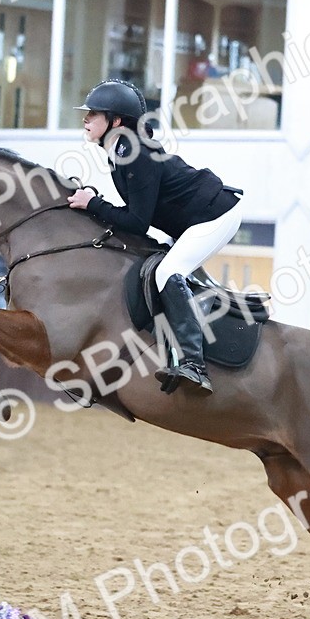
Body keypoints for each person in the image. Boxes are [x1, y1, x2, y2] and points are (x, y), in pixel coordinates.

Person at [67, 79, 243, 396]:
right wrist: (95, 201)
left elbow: (136, 222)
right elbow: (137, 212)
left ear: (116, 121)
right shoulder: (122, 150)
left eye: (94, 113)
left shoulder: (135, 154)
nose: (86, 119)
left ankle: (193, 364)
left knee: (168, 272)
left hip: (216, 215)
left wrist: (93, 204)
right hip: (196, 220)